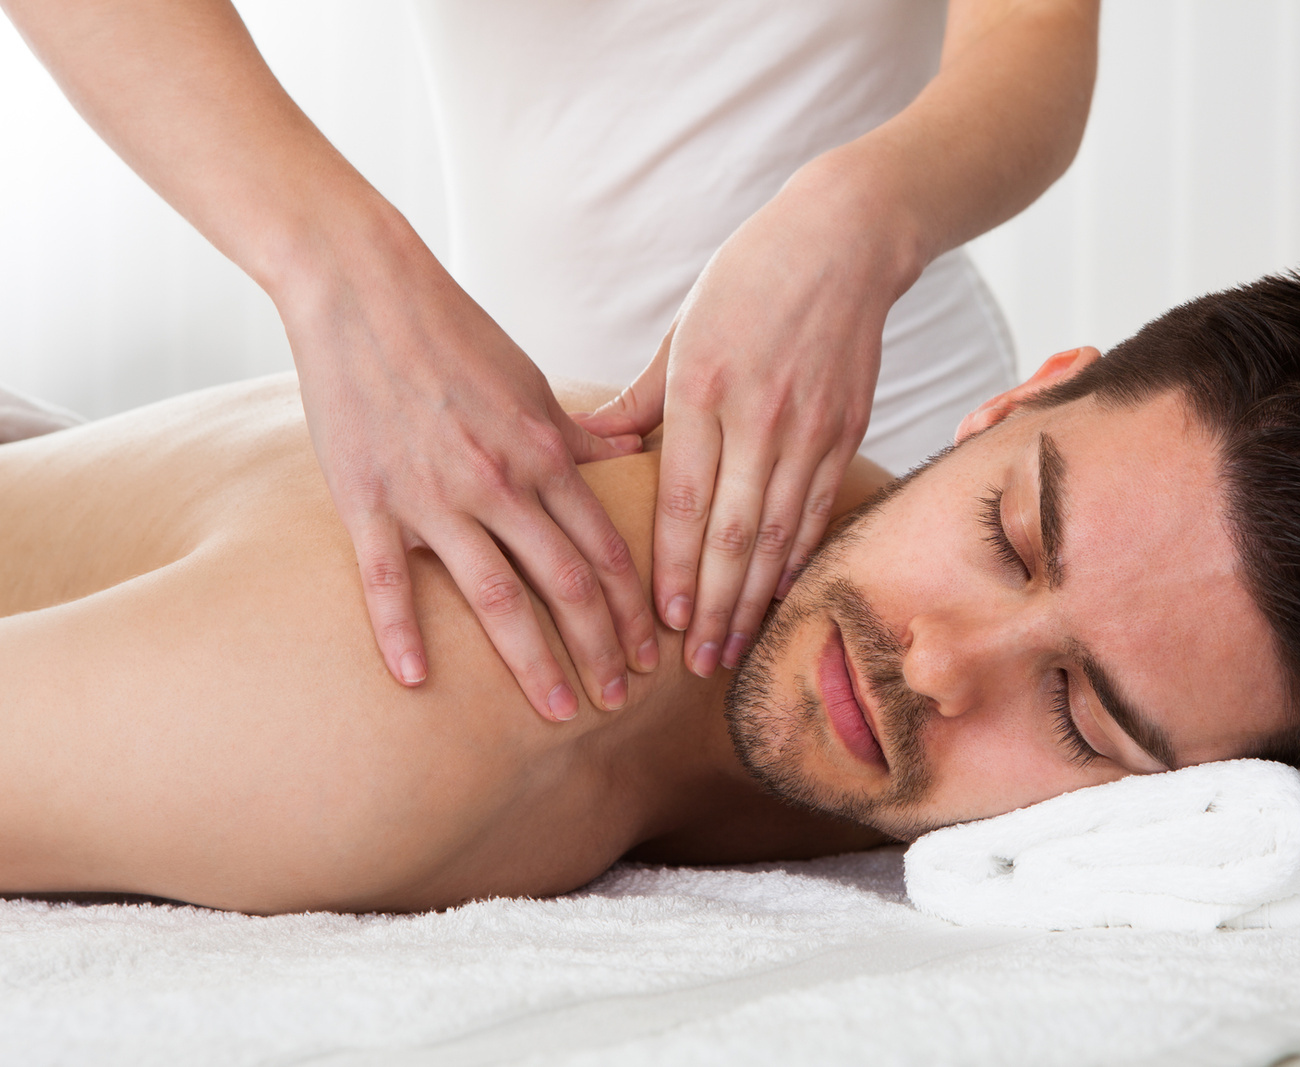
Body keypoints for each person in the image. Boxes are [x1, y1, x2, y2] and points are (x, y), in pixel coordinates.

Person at [0, 271, 1300, 914]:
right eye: (1012, 537)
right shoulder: (428, 689)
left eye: (1084, 715)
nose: (935, 662)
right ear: (1013, 400)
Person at [0, 0, 1100, 728]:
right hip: (475, 446)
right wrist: (337, 274)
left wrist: (857, 216)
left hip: (876, 447)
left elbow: (1031, 37)